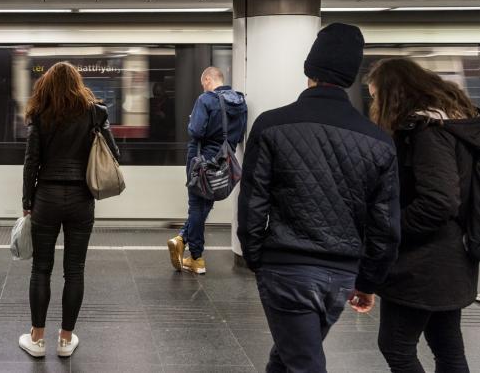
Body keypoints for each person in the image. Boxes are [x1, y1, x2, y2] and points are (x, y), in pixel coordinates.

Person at [237, 23, 401, 373]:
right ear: (350, 77)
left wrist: (255, 257)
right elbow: (385, 225)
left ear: (309, 69)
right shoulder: (378, 141)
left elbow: (253, 203)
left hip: (285, 269)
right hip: (341, 274)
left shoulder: (271, 125)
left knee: (301, 361)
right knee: (289, 355)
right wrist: (368, 280)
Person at [367, 58, 479, 373]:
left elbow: (440, 201)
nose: (375, 105)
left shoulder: (426, 132)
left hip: (422, 264)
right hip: (453, 257)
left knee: (396, 346)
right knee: (447, 347)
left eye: (376, 97)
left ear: (394, 95)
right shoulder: (456, 127)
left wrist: (392, 228)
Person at [19, 61, 119, 358]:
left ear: (47, 85)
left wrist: (27, 203)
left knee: (40, 269)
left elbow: (31, 163)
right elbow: (114, 153)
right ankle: (65, 339)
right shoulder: (95, 113)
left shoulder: (40, 114)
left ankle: (37, 340)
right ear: (78, 83)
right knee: (74, 271)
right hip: (81, 198)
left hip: (46, 197)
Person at [167, 67, 246, 274]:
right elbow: (239, 134)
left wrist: (193, 119)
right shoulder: (239, 101)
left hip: (200, 159)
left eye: (204, 83)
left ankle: (196, 258)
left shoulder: (205, 99)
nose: (204, 87)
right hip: (224, 159)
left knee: (196, 204)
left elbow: (196, 131)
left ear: (209, 79)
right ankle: (182, 238)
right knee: (206, 203)